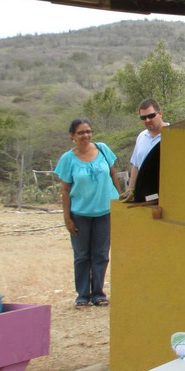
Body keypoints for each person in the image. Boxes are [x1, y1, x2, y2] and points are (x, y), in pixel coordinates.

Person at [55, 118, 121, 309]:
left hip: (105, 211)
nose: (86, 135)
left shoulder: (103, 149)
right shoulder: (68, 159)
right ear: (72, 136)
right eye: (81, 132)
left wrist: (119, 199)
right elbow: (65, 189)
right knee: (82, 256)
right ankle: (82, 295)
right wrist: (67, 217)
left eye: (88, 131)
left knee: (101, 254)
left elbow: (113, 174)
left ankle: (98, 294)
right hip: (80, 214)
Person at [128, 98, 167, 193]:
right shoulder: (141, 137)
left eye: (151, 116)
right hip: (145, 193)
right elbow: (136, 166)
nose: (147, 120)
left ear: (160, 113)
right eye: (143, 118)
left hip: (167, 191)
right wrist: (130, 191)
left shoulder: (173, 135)